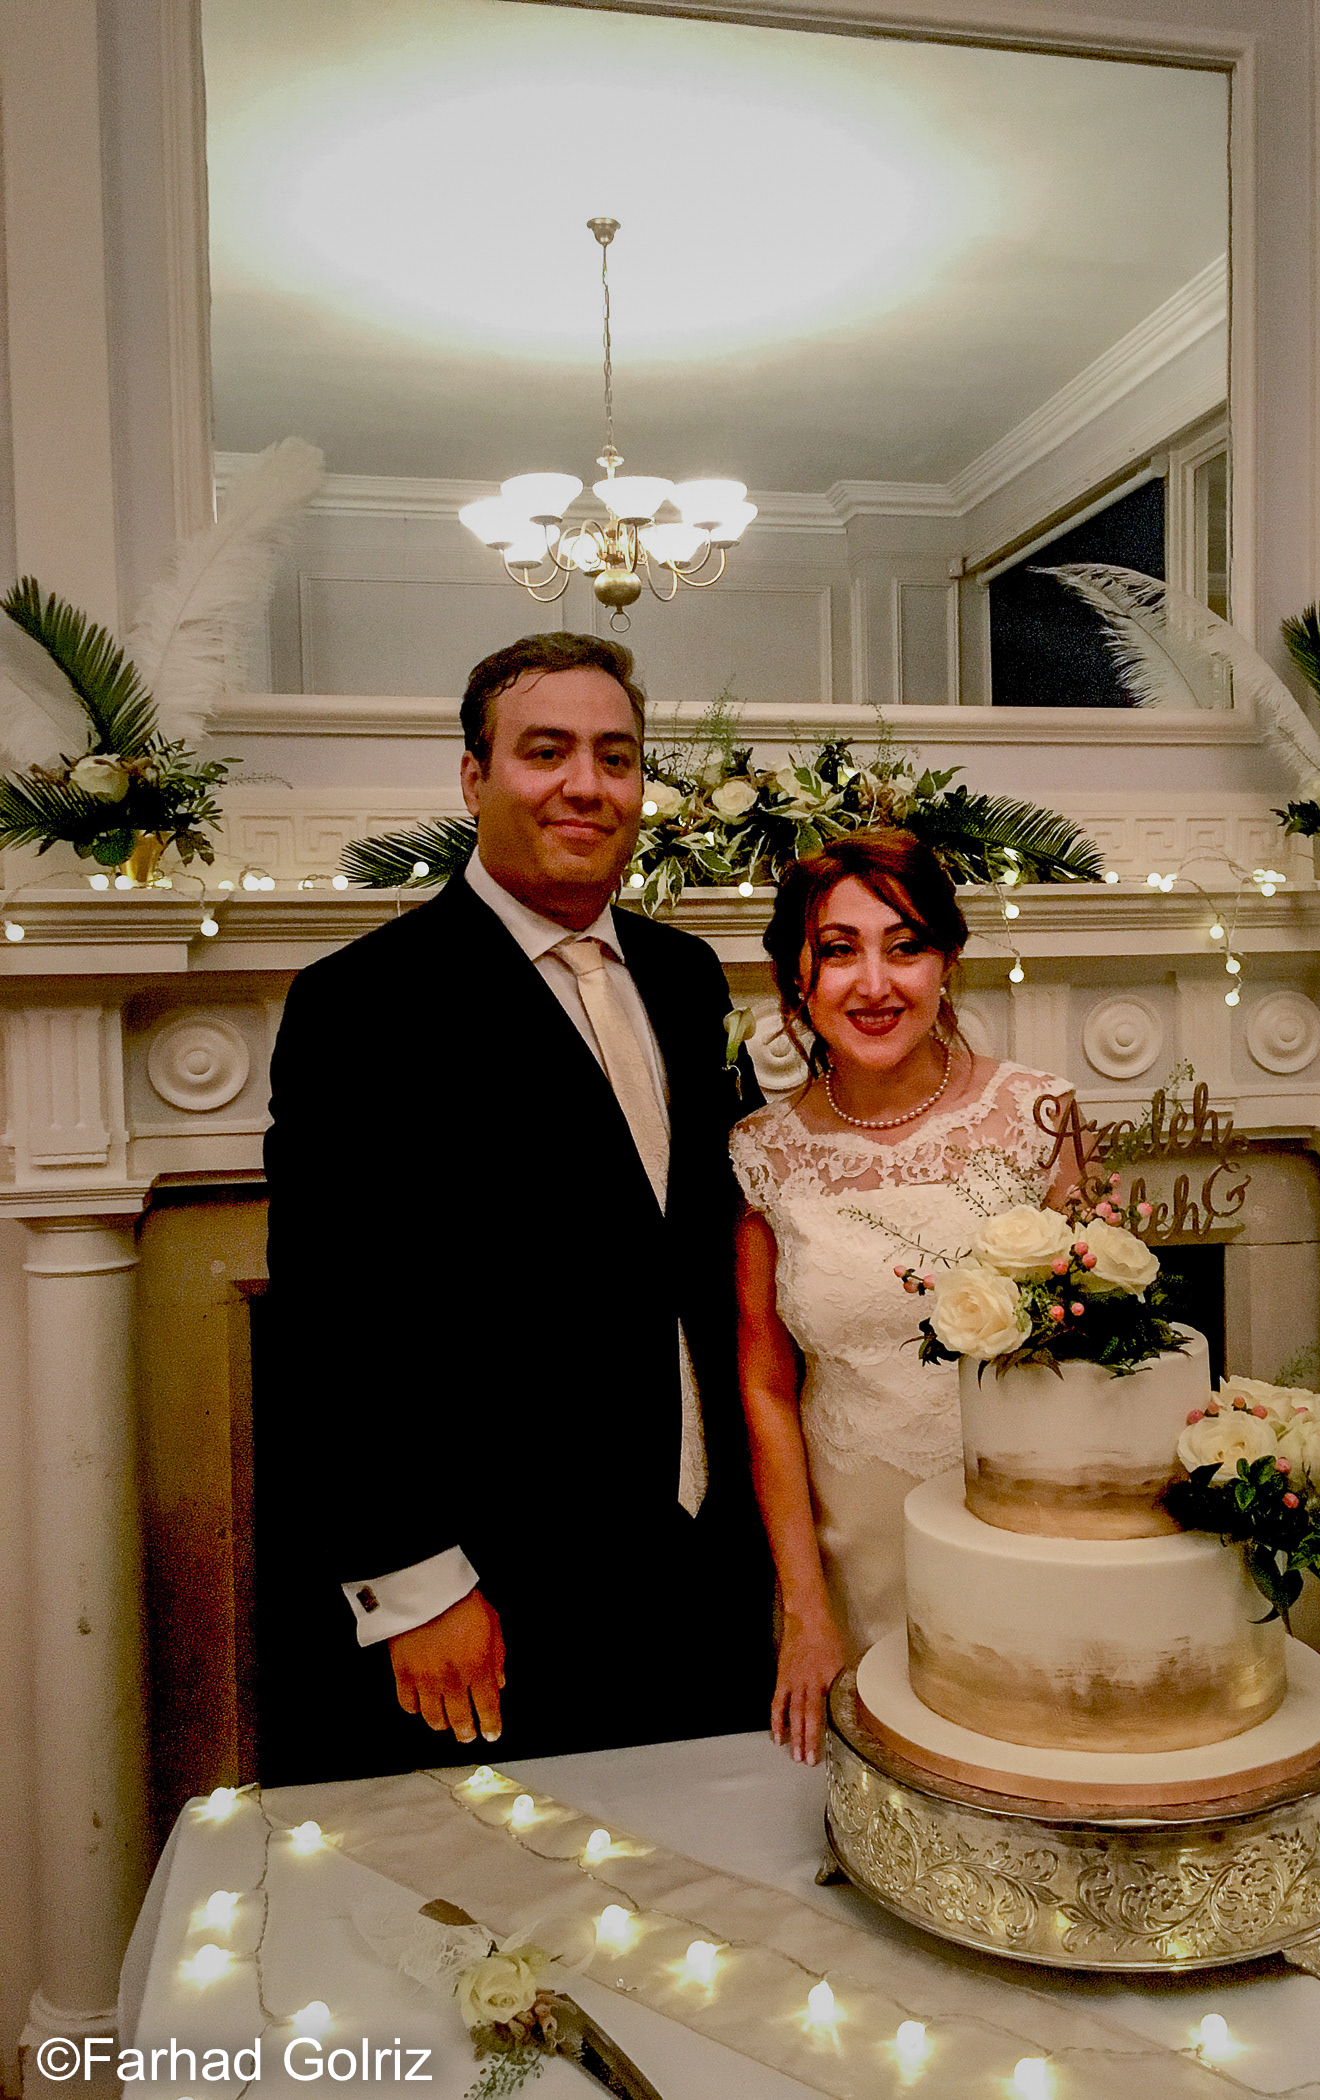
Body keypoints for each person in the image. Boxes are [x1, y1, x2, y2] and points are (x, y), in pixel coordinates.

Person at [261, 630, 772, 1781]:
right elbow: (332, 1321)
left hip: (704, 1576)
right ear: (473, 776)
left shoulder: (688, 977)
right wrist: (416, 1583)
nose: (587, 785)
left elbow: (704, 1254)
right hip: (497, 1597)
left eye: (616, 757)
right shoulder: (361, 1005)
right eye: (546, 752)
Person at [730, 832, 1079, 1765]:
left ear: (947, 961)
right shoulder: (761, 1154)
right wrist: (806, 1608)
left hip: (1024, 1535)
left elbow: (1098, 1354)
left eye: (905, 945)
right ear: (795, 977)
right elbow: (764, 1388)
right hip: (854, 1557)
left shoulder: (1038, 1116)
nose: (874, 984)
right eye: (838, 950)